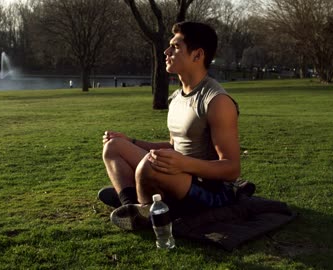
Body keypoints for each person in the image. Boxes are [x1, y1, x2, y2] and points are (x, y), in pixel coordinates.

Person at [99, 21, 242, 231]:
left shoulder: (217, 101)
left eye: (175, 47)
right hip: (179, 176)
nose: (166, 52)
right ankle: (132, 206)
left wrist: (183, 164)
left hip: (211, 190)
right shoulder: (176, 97)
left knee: (149, 164)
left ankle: (141, 207)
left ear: (197, 55)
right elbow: (174, 146)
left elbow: (232, 168)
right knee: (114, 146)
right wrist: (131, 142)